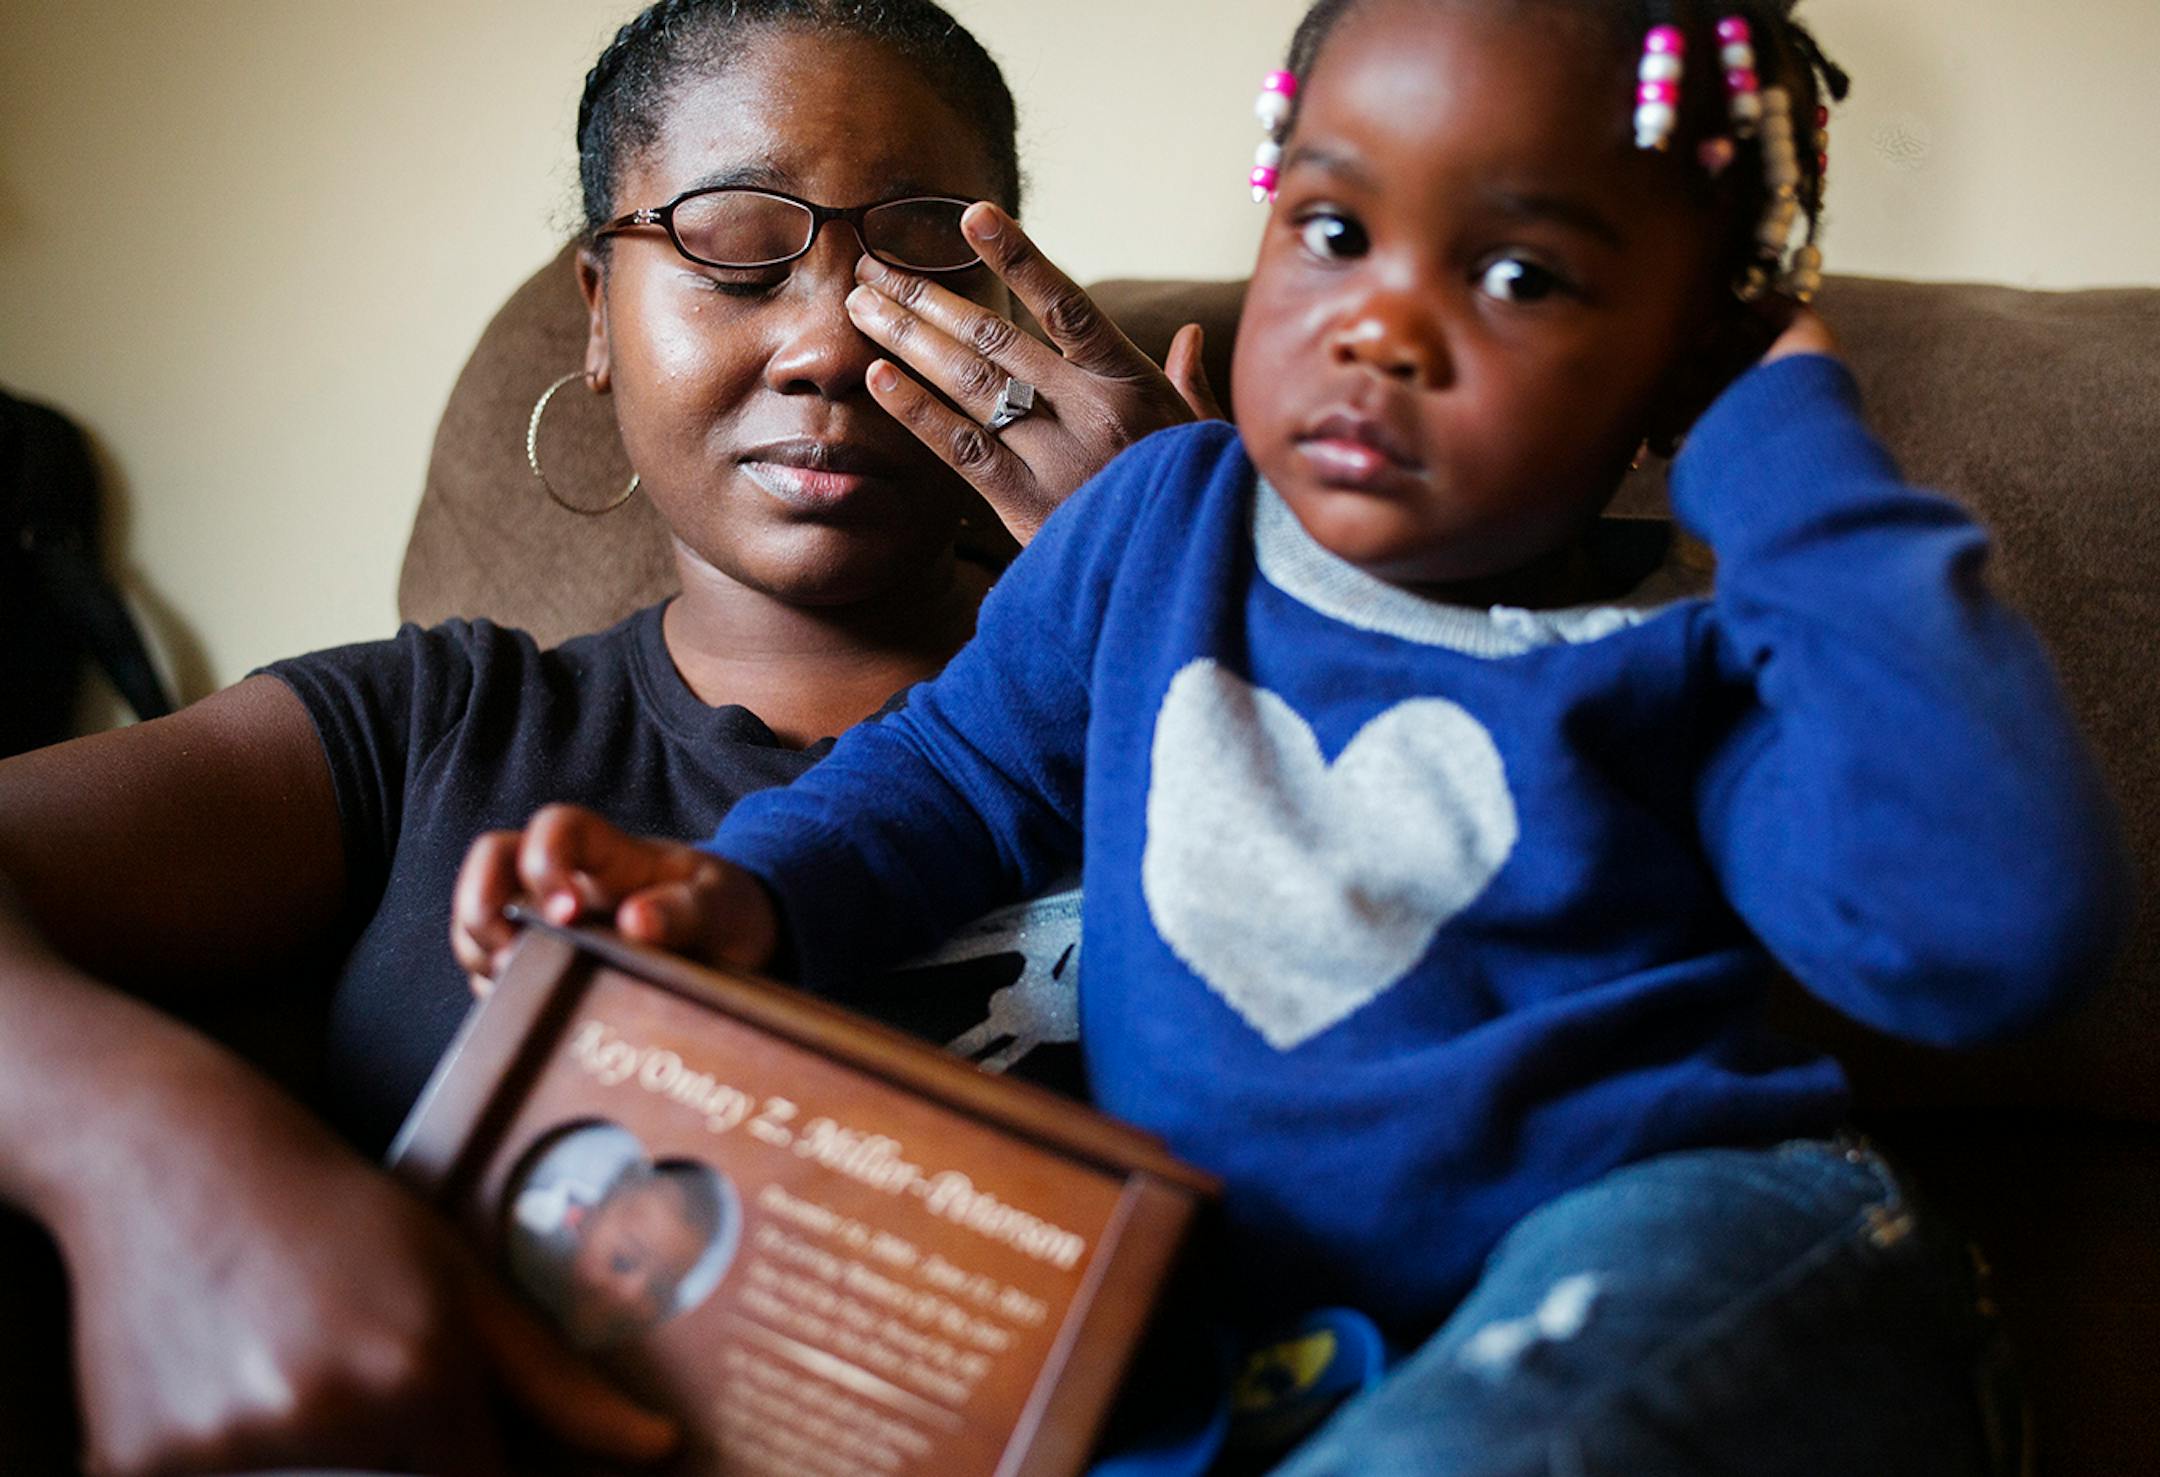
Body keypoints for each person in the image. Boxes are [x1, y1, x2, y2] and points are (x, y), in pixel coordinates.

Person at [465, 1, 2134, 1471]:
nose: (1381, 323)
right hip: (1271, 1324)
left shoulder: (1690, 663)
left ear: (1687, 354)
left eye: (1517, 274)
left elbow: (1989, 929)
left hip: (1704, 1254)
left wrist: (1784, 436)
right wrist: (739, 896)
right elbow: (951, 775)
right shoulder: (1162, 528)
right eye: (1334, 228)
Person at [0, 1, 1218, 1472]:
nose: (829, 341)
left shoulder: (1208, 681)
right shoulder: (433, 726)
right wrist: (151, 1168)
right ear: (597, 309)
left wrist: (1204, 608)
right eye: (737, 250)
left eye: (916, 258)